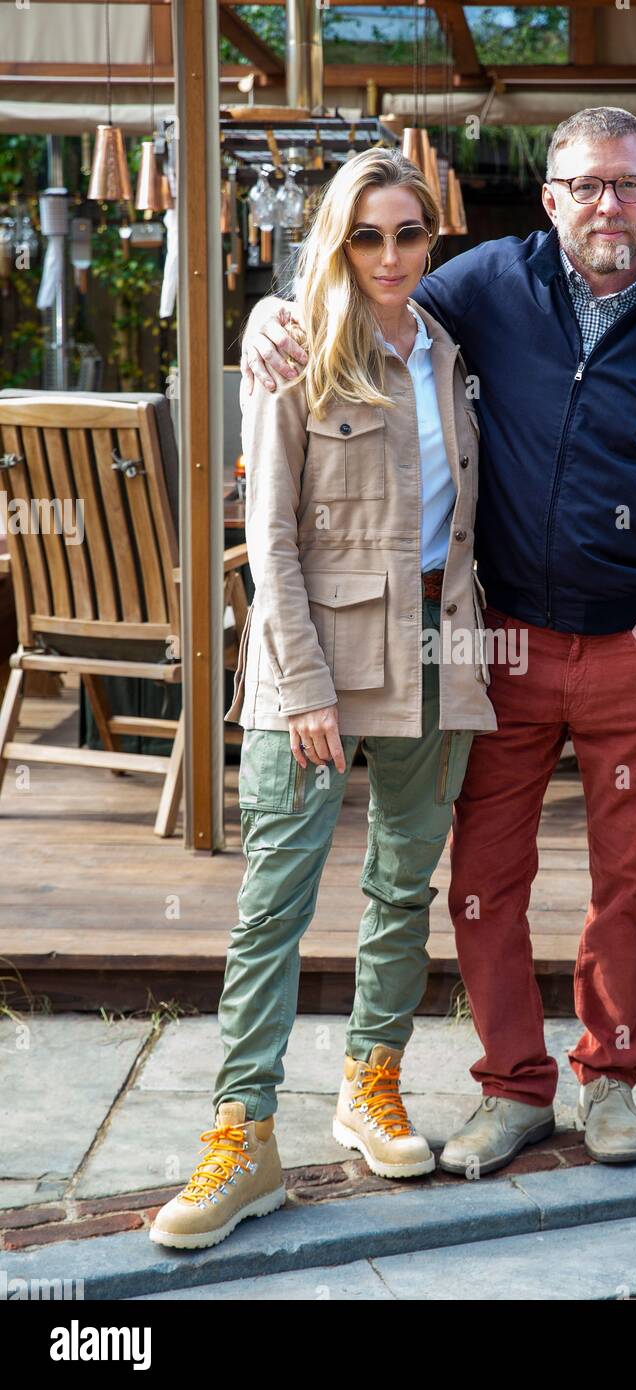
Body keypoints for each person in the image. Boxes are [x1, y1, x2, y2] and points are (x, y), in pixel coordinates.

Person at [241, 106, 636, 1178]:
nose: (605, 204)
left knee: (628, 874)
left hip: (635, 648)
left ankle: (611, 1077)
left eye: (625, 184)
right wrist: (264, 316)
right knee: (483, 873)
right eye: (583, 185)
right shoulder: (481, 286)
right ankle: (513, 1085)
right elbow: (360, 297)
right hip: (503, 646)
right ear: (549, 198)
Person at [150, 147, 496, 1250]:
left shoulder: (448, 348)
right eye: (367, 236)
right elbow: (271, 539)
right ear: (337, 241)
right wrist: (301, 684)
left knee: (404, 887)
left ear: (429, 241)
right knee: (273, 903)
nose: (390, 256)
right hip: (313, 664)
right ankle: (242, 1135)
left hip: (436, 651)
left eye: (408, 235)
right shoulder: (296, 352)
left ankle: (369, 1082)